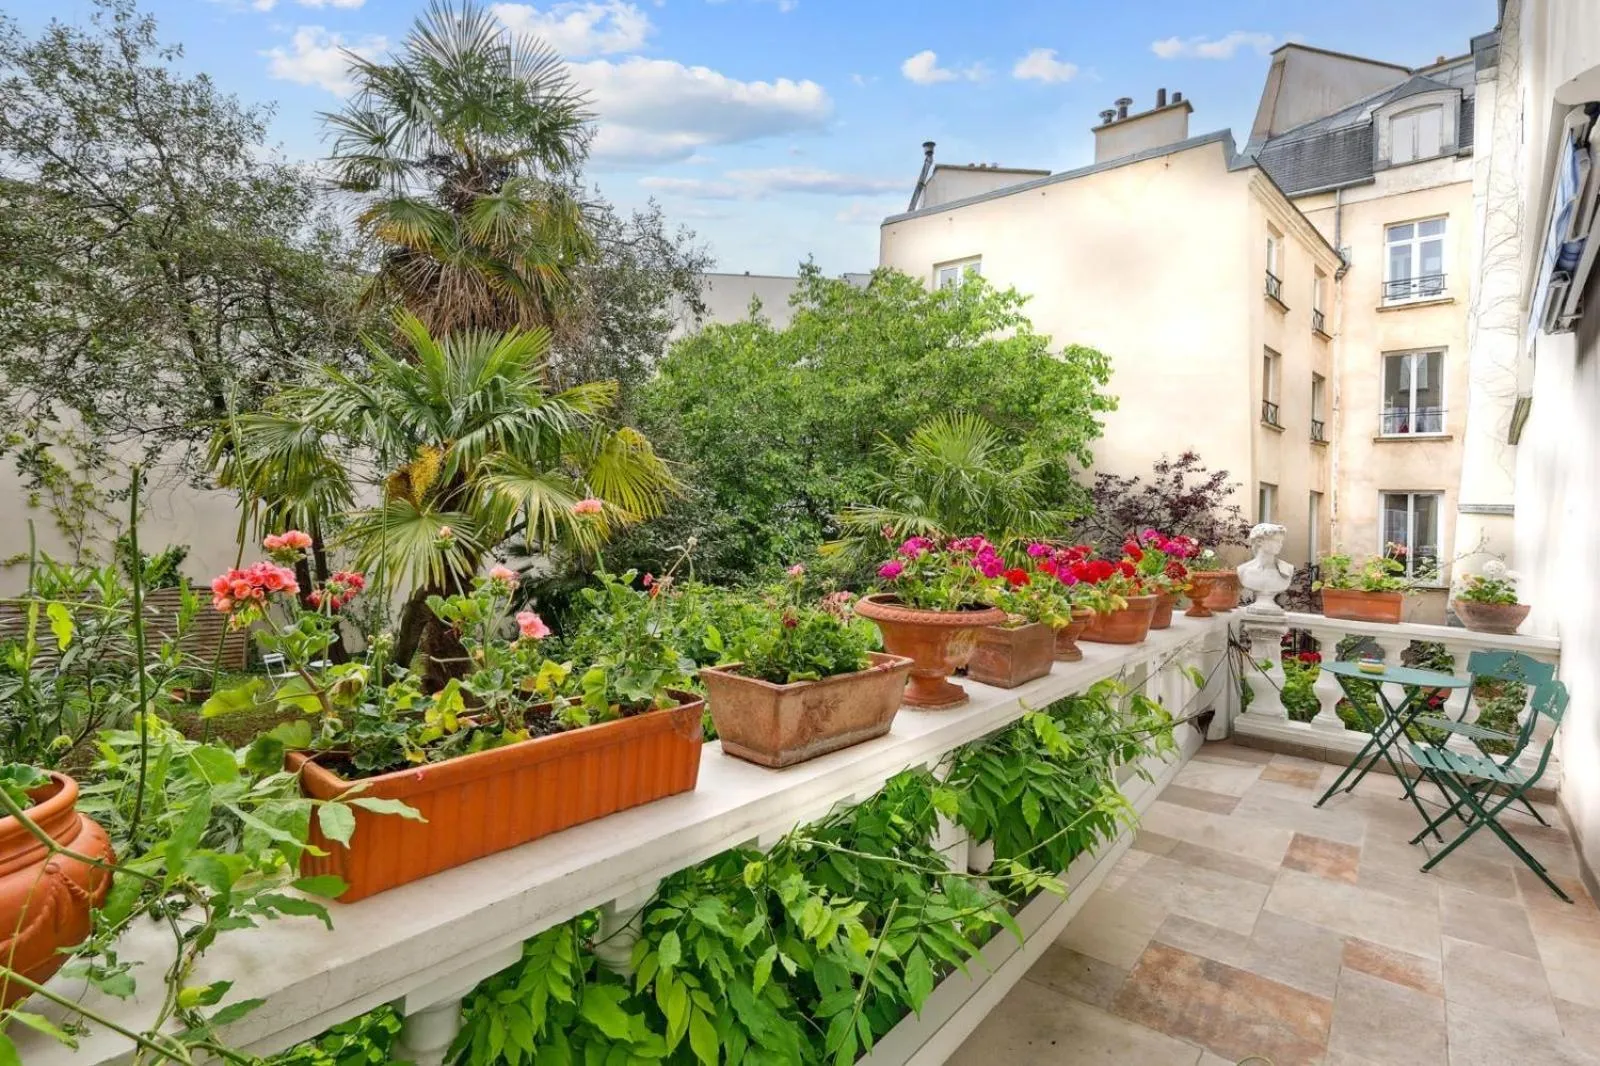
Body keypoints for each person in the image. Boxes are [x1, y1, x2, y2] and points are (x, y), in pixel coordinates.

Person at [1237, 522, 1294, 616]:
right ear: (1259, 541)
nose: (1280, 545)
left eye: (1281, 541)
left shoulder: (1288, 569)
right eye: (1276, 541)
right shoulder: (1243, 570)